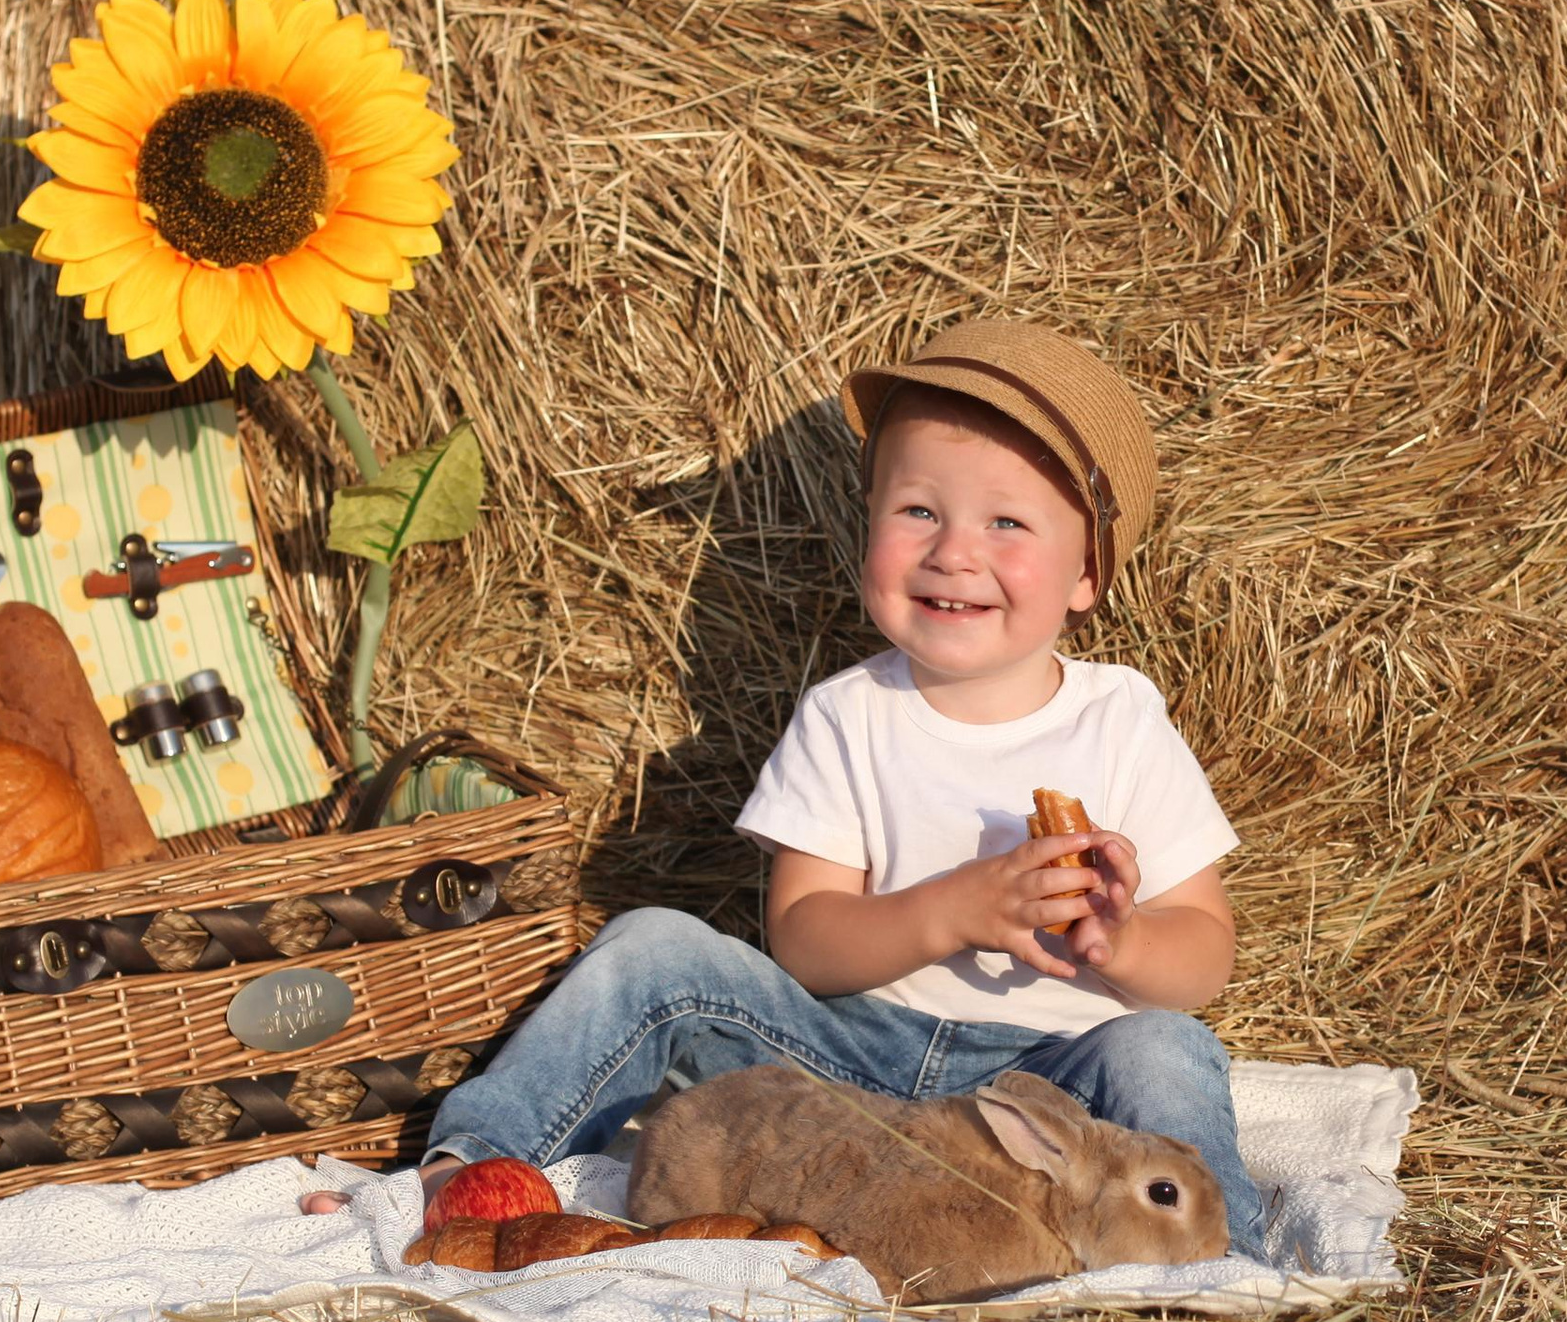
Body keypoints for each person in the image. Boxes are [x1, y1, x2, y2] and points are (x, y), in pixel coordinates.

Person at [305, 316, 1265, 1250]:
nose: (952, 550)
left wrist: (1126, 938)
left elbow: (1205, 957)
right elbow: (804, 943)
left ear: (1088, 571)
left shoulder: (1121, 722)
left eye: (1006, 522)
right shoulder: (849, 715)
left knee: (1163, 1047)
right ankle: (467, 1172)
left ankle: (1228, 1262)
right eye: (917, 511)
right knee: (652, 949)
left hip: (1053, 1088)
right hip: (848, 1066)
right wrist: (955, 911)